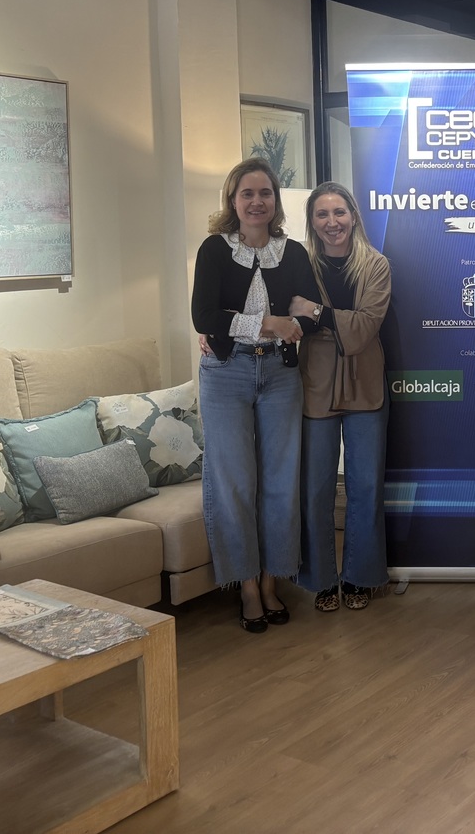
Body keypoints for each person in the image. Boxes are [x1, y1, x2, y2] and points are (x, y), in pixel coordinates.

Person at [192, 158, 319, 634]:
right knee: (234, 482)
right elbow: (204, 316)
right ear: (233, 200)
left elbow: (309, 314)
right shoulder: (214, 249)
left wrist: (294, 322)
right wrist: (269, 323)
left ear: (275, 201)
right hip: (226, 372)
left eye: (265, 193)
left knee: (281, 481)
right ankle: (246, 585)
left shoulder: (294, 253)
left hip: (281, 374)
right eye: (247, 193)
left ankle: (271, 581)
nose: (257, 202)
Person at [288, 182, 392, 612]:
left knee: (365, 487)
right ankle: (321, 579)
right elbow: (285, 316)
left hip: (366, 383)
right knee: (316, 489)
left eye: (339, 212)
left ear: (353, 216)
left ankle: (359, 577)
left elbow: (366, 327)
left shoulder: (377, 265)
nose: (332, 222)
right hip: (316, 382)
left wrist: (316, 312)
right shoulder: (300, 264)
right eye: (322, 214)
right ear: (312, 222)